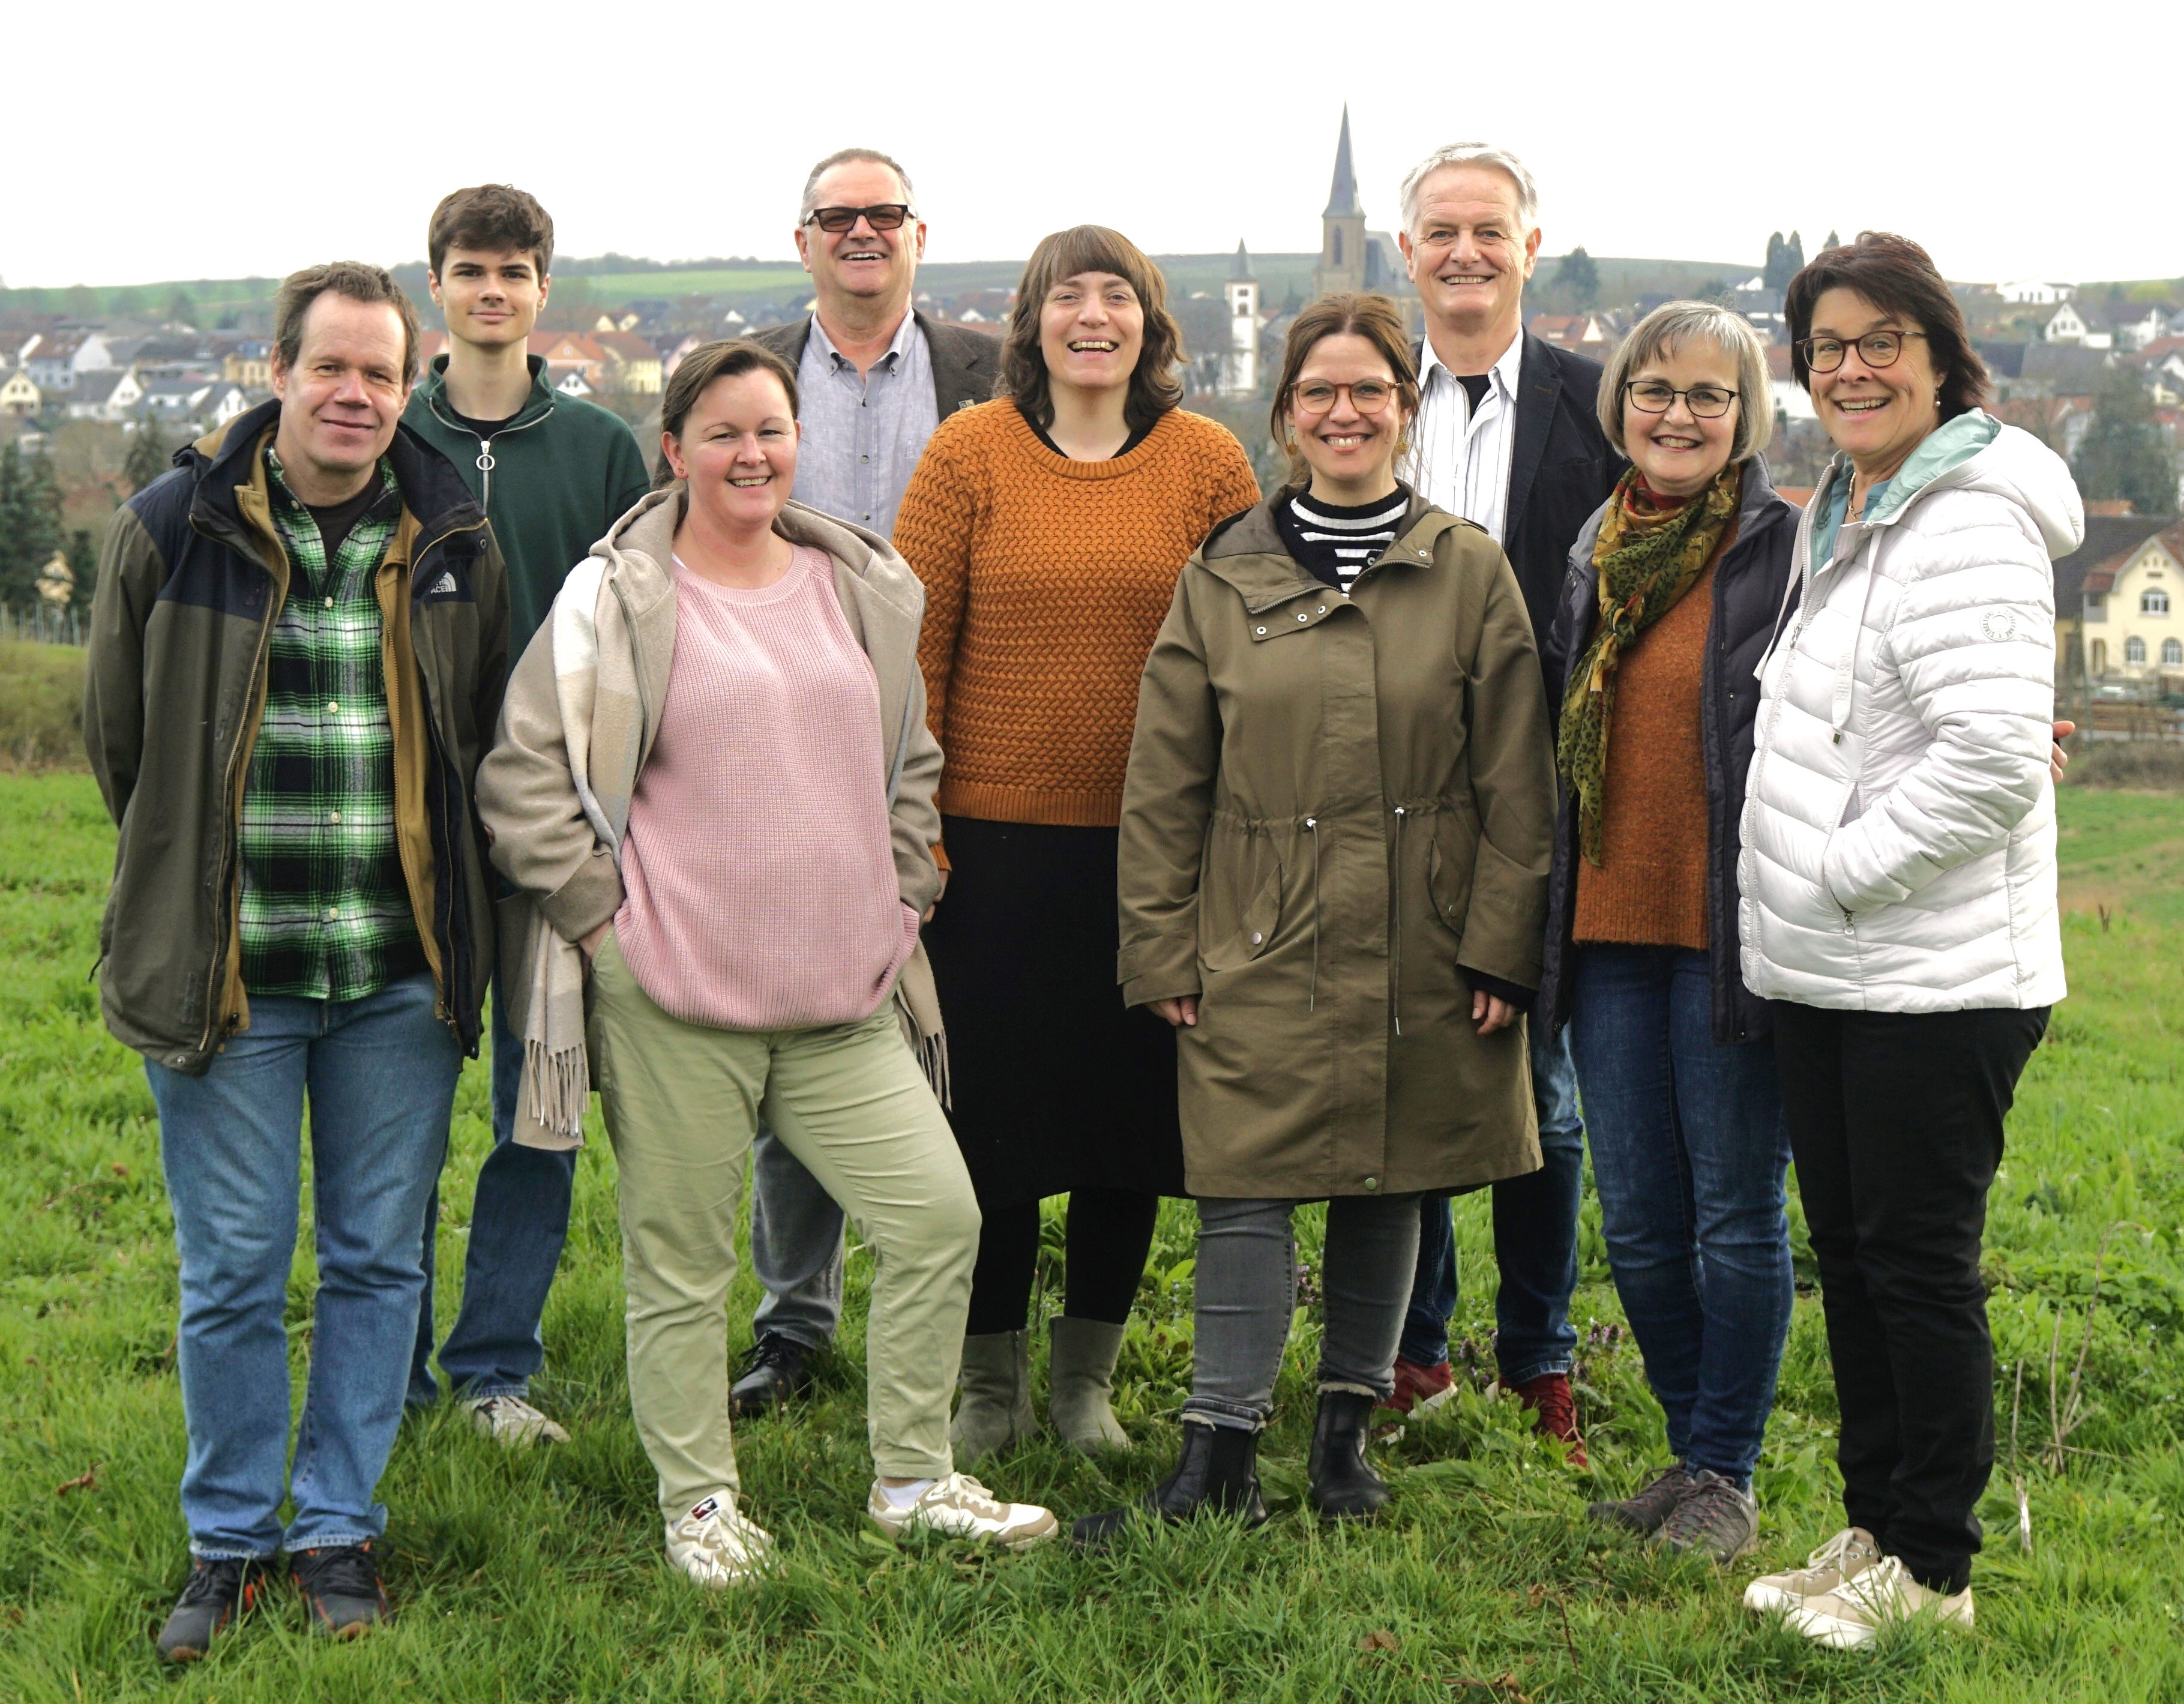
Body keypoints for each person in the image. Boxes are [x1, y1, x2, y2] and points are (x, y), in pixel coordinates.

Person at [477, 340, 1055, 1587]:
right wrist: (601, 925)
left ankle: (910, 1480)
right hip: (676, 993)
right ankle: (700, 1507)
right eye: (724, 432)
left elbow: (909, 761)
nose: (752, 454)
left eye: (771, 430)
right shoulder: (617, 596)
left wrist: (903, 896)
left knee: (934, 1215)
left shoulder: (853, 583)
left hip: (843, 995)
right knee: (682, 1263)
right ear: (673, 449)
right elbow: (522, 776)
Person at [1074, 292, 1556, 1543]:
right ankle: (1216, 1448)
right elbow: (1163, 780)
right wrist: (1159, 945)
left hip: (1424, 938)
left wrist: (1502, 939)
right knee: (1243, 1180)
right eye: (1318, 392)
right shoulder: (1223, 574)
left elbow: (1517, 779)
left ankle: (1344, 1438)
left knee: (1388, 1177)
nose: (1344, 412)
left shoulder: (1467, 571)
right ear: (1285, 415)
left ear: (1404, 410)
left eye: (1371, 391)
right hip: (1257, 932)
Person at [83, 262, 509, 1657]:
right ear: (278, 372)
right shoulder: (170, 529)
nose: (357, 395)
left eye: (382, 374)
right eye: (331, 367)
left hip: (395, 973)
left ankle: (336, 1527)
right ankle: (228, 1541)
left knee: (379, 1262)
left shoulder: (453, 540)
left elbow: (475, 753)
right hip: (232, 974)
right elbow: (123, 750)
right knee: (233, 1269)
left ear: (408, 385)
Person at [1736, 234, 2081, 1647]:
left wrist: (1829, 873)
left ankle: (1931, 1569)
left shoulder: (1968, 518)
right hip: (1839, 970)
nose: (1849, 367)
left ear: (1939, 358)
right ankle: (1876, 1525)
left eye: (1880, 340)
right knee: (1859, 1259)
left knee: (1915, 1267)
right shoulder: (1858, 504)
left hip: (1932, 977)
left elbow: (1991, 760)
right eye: (1824, 346)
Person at [892, 225, 1260, 1459]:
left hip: (1158, 854)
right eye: (1066, 295)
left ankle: (1080, 1386)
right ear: (1031, 321)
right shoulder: (969, 455)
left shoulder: (1205, 462)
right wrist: (916, 839)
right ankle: (986, 1390)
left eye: (1116, 295)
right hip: (988, 857)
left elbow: (1257, 650)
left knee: (1127, 1127)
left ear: (1152, 324)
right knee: (986, 1130)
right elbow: (910, 660)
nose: (1090, 316)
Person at [729, 147, 1000, 1418]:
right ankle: (794, 1323)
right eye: (834, 218)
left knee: (971, 1027)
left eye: (879, 215)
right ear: (803, 243)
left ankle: (971, 1308)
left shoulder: (991, 372)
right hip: (784, 737)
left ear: (916, 233)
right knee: (798, 1023)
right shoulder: (750, 380)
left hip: (972, 731)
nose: (859, 234)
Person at [1533, 303, 1801, 1563]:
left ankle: (1724, 1473)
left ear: (1745, 414)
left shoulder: (1783, 551)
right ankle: (1692, 1453)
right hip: (1602, 927)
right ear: (1619, 404)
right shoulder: (1592, 549)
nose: (1677, 415)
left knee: (1732, 1213)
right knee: (1636, 1218)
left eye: (1706, 394)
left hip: (1726, 925)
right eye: (1653, 389)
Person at [402, 182, 654, 1445]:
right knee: (392, 1111)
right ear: (434, 287)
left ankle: (494, 1365)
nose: (492, 292)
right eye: (469, 270)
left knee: (537, 1102)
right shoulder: (389, 434)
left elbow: (634, 629)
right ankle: (384, 1358)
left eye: (514, 271)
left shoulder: (602, 447)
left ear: (543, 289)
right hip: (407, 829)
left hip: (555, 825)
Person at [1386, 142, 1622, 1463]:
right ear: (1405, 254)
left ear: (1528, 249)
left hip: (1548, 796)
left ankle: (1537, 1359)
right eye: (1439, 231)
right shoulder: (1363, 397)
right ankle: (1413, 1349)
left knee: (1543, 1090)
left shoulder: (1601, 407)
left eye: (1488, 230)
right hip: (1390, 796)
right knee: (1410, 1070)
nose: (1464, 251)